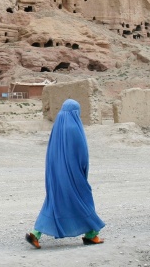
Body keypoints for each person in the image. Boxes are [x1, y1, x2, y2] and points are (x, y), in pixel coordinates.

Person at [25, 99, 105, 249]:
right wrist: (83, 171)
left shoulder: (57, 126)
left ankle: (35, 234)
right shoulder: (74, 128)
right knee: (83, 199)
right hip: (73, 174)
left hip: (55, 173)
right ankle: (91, 235)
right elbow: (82, 154)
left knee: (54, 202)